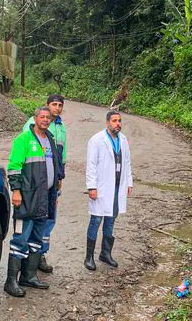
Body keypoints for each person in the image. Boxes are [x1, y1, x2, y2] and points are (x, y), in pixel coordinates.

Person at [4, 107, 60, 297]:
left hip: (45, 199)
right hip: (27, 198)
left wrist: (55, 194)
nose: (45, 120)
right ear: (35, 119)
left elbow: (56, 168)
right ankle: (10, 281)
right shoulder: (23, 140)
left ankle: (28, 276)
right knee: (20, 239)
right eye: (42, 117)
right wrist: (16, 191)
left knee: (36, 240)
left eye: (47, 118)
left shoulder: (50, 139)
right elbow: (13, 167)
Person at [22, 94, 67, 273]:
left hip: (52, 182)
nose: (57, 108)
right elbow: (23, 153)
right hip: (34, 183)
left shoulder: (61, 127)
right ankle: (25, 257)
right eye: (54, 105)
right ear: (47, 106)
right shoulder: (31, 125)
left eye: (60, 105)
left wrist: (60, 179)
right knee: (30, 220)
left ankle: (40, 254)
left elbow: (61, 156)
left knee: (49, 220)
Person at [84, 111, 133, 271]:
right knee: (96, 220)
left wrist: (129, 182)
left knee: (111, 220)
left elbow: (127, 162)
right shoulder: (97, 140)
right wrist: (92, 186)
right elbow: (91, 165)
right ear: (107, 123)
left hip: (117, 187)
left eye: (119, 121)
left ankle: (105, 253)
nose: (118, 123)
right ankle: (89, 257)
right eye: (114, 121)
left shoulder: (123, 140)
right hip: (101, 187)